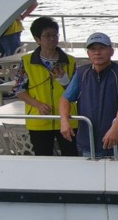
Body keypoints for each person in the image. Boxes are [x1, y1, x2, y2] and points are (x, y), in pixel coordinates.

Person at [59, 32, 118, 159]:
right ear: (88, 53)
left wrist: (115, 128)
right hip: (88, 145)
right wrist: (64, 120)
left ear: (111, 51)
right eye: (93, 49)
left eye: (102, 48)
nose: (97, 53)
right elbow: (65, 98)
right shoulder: (81, 73)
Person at [12, 16, 79, 156]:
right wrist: (38, 104)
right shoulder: (27, 61)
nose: (52, 39)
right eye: (47, 35)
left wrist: (65, 81)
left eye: (55, 35)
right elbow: (19, 89)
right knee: (43, 158)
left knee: (71, 156)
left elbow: (78, 92)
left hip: (67, 119)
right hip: (39, 120)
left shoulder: (69, 61)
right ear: (37, 39)